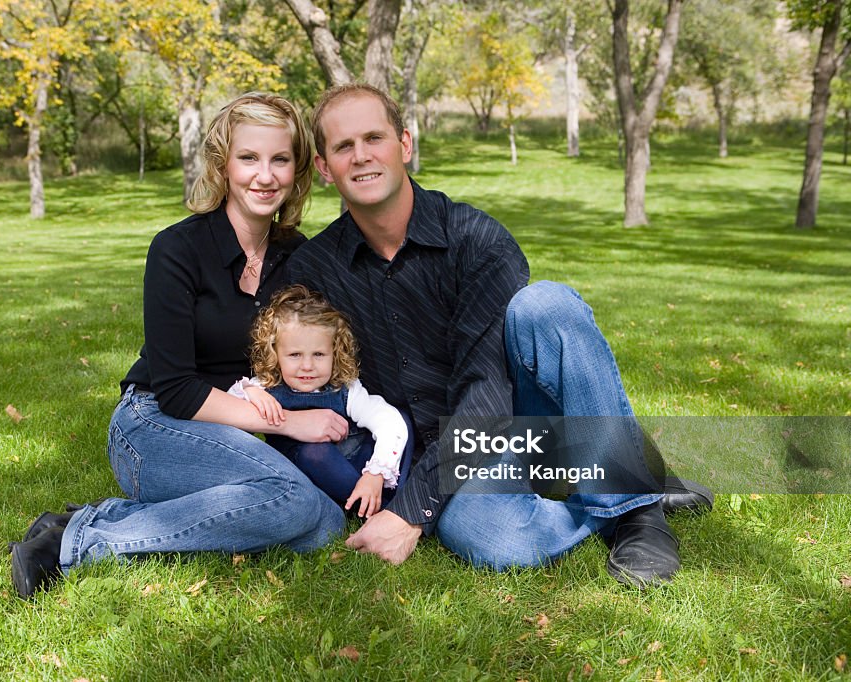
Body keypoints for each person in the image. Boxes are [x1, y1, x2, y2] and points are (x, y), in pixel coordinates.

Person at [285, 83, 712, 588]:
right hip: (440, 452)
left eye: (373, 138)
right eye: (343, 147)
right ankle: (628, 480)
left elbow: (487, 390)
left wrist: (410, 513)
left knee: (545, 305)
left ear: (404, 144)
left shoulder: (476, 239)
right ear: (323, 167)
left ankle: (635, 510)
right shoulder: (315, 269)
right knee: (492, 538)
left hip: (516, 417)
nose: (361, 157)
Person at [9, 92, 348, 599]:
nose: (265, 175)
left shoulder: (296, 256)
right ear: (222, 163)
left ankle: (101, 516)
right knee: (295, 503)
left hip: (231, 433)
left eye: (280, 159)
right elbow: (176, 389)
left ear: (297, 169)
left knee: (323, 526)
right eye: (249, 158)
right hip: (154, 423)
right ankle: (77, 541)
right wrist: (290, 422)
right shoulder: (177, 249)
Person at [228, 284, 413, 518]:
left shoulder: (344, 390)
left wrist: (375, 474)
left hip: (358, 466)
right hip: (315, 472)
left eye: (318, 354)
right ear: (275, 354)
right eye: (295, 355)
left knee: (401, 421)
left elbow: (388, 422)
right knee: (315, 453)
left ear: (335, 353)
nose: (307, 366)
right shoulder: (266, 388)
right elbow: (228, 405)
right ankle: (370, 509)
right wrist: (249, 392)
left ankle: (385, 499)